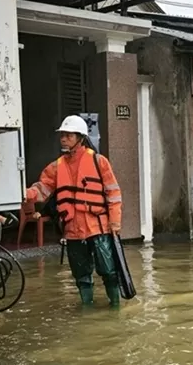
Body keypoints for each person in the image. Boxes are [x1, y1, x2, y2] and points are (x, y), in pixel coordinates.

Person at [24, 115, 124, 306]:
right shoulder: (56, 167)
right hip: (73, 231)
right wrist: (24, 194)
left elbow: (113, 193)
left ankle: (115, 308)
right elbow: (42, 189)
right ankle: (87, 309)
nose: (63, 139)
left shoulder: (99, 161)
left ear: (81, 138)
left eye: (69, 135)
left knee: (109, 271)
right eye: (62, 135)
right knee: (81, 276)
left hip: (99, 228)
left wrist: (115, 221)